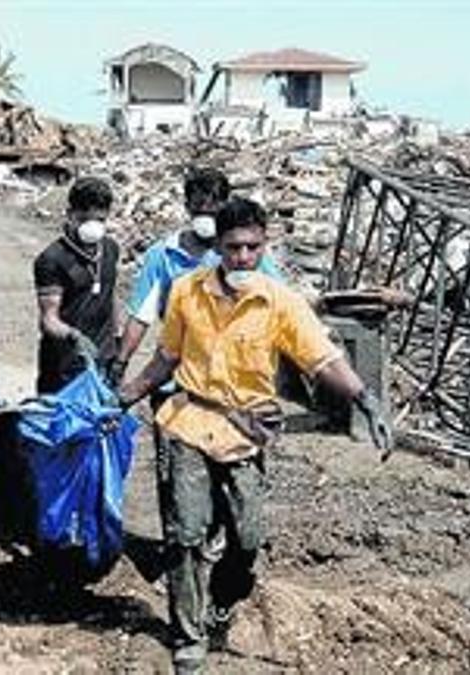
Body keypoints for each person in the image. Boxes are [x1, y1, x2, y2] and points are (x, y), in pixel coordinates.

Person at [116, 197, 393, 674]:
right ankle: (188, 636)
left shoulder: (279, 300)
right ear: (218, 247)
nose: (243, 257)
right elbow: (168, 356)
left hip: (246, 429)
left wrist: (364, 398)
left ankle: (222, 602)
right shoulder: (186, 291)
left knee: (246, 539)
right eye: (233, 248)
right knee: (185, 533)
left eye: (252, 247)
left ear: (264, 244)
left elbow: (321, 357)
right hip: (189, 420)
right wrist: (128, 392)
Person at [111, 168, 284, 549]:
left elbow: (282, 307)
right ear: (187, 206)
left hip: (237, 396)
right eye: (197, 205)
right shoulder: (165, 256)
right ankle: (182, 553)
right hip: (177, 392)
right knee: (176, 482)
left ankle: (221, 543)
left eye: (213, 206)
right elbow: (141, 313)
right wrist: (120, 365)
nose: (205, 213)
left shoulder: (244, 255)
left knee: (237, 485)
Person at [33, 176, 120, 394]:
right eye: (84, 219)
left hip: (103, 359)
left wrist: (117, 341)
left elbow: (110, 296)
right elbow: (48, 319)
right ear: (70, 215)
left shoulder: (110, 249)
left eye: (99, 220)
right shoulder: (51, 259)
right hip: (64, 366)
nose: (92, 228)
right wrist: (74, 337)